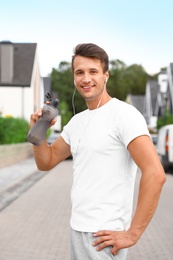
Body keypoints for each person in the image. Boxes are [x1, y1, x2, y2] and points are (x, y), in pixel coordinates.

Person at [30, 43, 166, 260]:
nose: (86, 79)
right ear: (74, 78)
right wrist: (38, 130)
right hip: (77, 228)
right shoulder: (77, 122)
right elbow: (46, 161)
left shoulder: (124, 115)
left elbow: (155, 174)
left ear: (105, 76)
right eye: (79, 72)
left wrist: (133, 234)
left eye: (93, 71)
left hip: (104, 236)